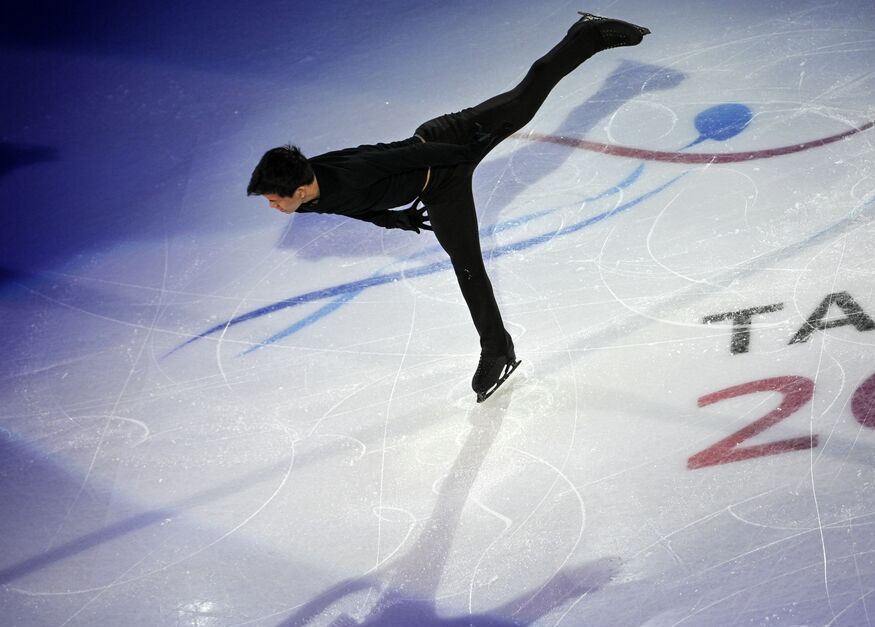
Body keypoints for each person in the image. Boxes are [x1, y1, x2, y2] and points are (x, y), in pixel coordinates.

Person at [247, 12, 650, 401]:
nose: (271, 205)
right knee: (468, 266)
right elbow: (347, 208)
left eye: (273, 198)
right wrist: (394, 219)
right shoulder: (306, 202)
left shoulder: (349, 173)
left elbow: (405, 157)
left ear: (298, 188)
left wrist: (465, 150)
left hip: (449, 141)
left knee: (526, 97)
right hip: (440, 189)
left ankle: (588, 35)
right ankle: (498, 351)